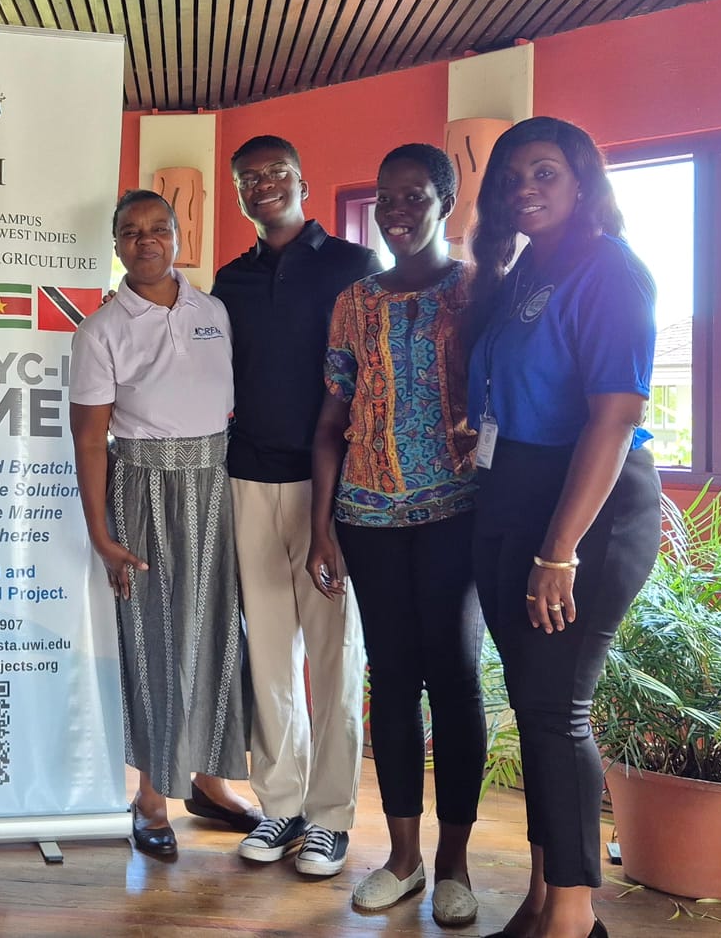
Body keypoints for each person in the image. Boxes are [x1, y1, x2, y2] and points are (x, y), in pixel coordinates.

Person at [466, 117, 659, 938]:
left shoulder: (609, 269)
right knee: (534, 704)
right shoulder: (524, 271)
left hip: (584, 510)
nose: (525, 189)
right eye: (511, 177)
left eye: (544, 172)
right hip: (512, 489)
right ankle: (542, 897)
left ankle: (574, 917)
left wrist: (559, 551)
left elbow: (614, 418)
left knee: (558, 710)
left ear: (583, 182)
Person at [310, 144, 484, 925]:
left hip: (458, 514)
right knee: (393, 679)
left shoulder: (477, 289)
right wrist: (322, 526)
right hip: (367, 516)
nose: (397, 211)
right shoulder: (353, 301)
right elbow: (332, 419)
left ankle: (456, 866)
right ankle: (404, 859)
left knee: (455, 678)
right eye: (385, 198)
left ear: (445, 200)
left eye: (414, 196)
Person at [212, 135, 380, 875]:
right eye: (248, 178)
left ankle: (330, 817)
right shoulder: (230, 281)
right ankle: (280, 805)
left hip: (331, 490)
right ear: (239, 193)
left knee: (336, 653)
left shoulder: (354, 266)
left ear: (303, 181)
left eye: (277, 172)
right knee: (270, 654)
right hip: (248, 478)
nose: (263, 185)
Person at [71, 189, 255, 857]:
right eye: (130, 231)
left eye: (157, 229)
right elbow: (89, 439)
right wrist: (101, 535)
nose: (145, 240)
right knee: (154, 638)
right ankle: (151, 796)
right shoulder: (100, 329)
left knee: (218, 634)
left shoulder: (214, 311)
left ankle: (208, 780)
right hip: (143, 488)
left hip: (216, 484)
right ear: (117, 244)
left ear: (177, 236)